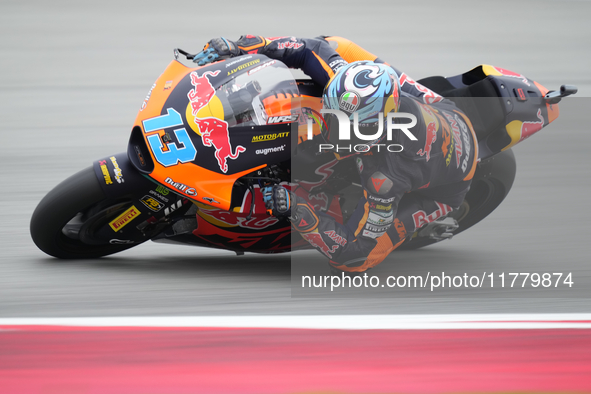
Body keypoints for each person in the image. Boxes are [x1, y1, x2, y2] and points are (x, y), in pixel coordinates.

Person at [193, 36, 478, 273]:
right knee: (335, 42)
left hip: (445, 186)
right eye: (333, 113)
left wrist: (297, 208)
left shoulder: (386, 178)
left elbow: (353, 254)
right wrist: (242, 47)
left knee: (352, 264)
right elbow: (310, 49)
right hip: (442, 108)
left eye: (348, 126)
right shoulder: (347, 84)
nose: (331, 124)